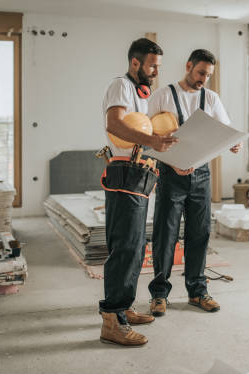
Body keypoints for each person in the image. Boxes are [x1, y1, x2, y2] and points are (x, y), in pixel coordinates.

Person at [147, 49, 242, 316]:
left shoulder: (211, 98)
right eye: (201, 73)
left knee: (199, 234)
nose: (204, 79)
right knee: (165, 235)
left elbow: (226, 131)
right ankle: (159, 294)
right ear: (188, 66)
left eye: (208, 75)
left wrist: (234, 144)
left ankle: (198, 292)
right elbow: (146, 135)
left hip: (201, 176)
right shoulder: (163, 95)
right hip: (170, 174)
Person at [98, 38, 178, 346]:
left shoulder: (141, 94)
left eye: (158, 66)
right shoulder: (121, 85)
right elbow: (115, 124)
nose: (156, 71)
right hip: (124, 172)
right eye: (152, 65)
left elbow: (143, 131)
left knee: (136, 248)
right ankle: (112, 321)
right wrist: (154, 143)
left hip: (141, 171)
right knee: (125, 248)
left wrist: (160, 142)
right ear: (135, 63)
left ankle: (125, 308)